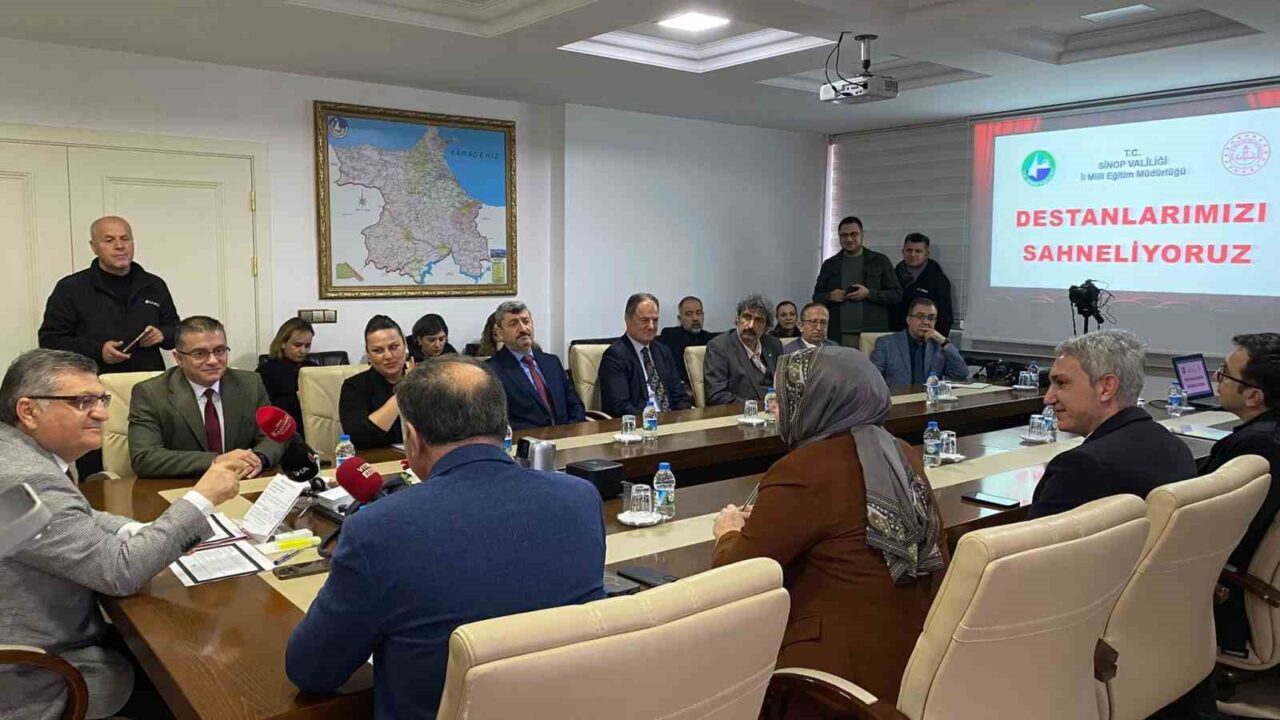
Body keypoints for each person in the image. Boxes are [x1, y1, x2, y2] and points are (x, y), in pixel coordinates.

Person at [286, 356, 605, 718]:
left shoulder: (377, 530)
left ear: (412, 438)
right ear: (505, 427)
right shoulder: (580, 498)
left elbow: (311, 670)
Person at [0, 349, 244, 720]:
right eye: (82, 402)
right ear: (29, 411)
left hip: (55, 636)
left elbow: (75, 514)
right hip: (34, 675)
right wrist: (202, 498)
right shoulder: (28, 477)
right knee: (208, 686)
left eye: (101, 399)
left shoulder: (19, 453)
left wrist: (135, 529)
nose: (101, 413)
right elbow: (119, 572)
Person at [711, 346, 945, 704]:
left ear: (817, 401)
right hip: (913, 655)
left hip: (832, 681)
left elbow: (737, 575)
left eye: (787, 397)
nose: (776, 407)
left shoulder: (805, 469)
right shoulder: (901, 452)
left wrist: (727, 532)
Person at [1026, 330, 1196, 520]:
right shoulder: (1176, 447)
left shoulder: (1079, 468)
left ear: (1106, 388)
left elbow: (1032, 538)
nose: (1048, 398)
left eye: (1061, 383)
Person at [128, 316, 284, 478]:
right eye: (199, 353)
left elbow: (275, 435)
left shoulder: (251, 384)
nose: (213, 361)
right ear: (178, 358)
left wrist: (259, 458)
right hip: (184, 486)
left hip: (242, 481)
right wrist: (216, 461)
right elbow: (145, 457)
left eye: (219, 350)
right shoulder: (150, 393)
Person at [1206, 333, 1280, 659]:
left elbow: (1206, 530)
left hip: (1231, 600)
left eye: (1224, 373)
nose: (1216, 378)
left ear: (1253, 396)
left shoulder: (1254, 449)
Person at [38, 216, 180, 375]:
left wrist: (162, 334)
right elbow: (50, 340)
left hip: (148, 380)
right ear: (94, 247)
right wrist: (98, 350)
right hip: (92, 380)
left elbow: (177, 330)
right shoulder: (71, 287)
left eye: (125, 239)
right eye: (109, 240)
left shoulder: (154, 285)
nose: (120, 246)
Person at [485, 301, 586, 429]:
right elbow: (499, 421)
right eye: (513, 324)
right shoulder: (491, 371)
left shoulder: (552, 362)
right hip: (526, 439)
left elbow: (575, 405)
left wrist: (569, 431)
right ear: (499, 333)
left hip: (567, 436)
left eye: (526, 321)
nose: (523, 329)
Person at [813, 216, 902, 349]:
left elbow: (896, 295)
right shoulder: (830, 265)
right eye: (844, 235)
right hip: (838, 335)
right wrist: (830, 296)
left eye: (854, 234)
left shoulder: (880, 261)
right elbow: (816, 297)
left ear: (862, 235)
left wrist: (869, 294)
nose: (849, 239)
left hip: (872, 335)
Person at [599, 293, 692, 417]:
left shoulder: (663, 351)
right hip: (640, 424)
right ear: (627, 319)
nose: (651, 326)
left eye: (655, 320)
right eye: (645, 320)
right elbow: (620, 406)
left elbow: (679, 396)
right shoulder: (615, 356)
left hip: (671, 422)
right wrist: (653, 421)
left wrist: (681, 419)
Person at [340, 315, 412, 451]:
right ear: (368, 354)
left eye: (394, 347)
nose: (388, 356)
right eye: (378, 351)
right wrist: (402, 392)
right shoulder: (354, 386)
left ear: (405, 346)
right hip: (378, 460)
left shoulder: (425, 381)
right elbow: (359, 439)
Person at [704, 295, 784, 406]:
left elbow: (783, 385)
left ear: (766, 327)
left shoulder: (773, 344)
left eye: (759, 320)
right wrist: (757, 407)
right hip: (743, 412)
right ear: (738, 319)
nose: (750, 325)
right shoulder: (719, 347)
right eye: (747, 317)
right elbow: (716, 395)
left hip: (777, 412)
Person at [870, 298, 971, 386]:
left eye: (931, 318)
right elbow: (872, 379)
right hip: (898, 399)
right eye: (920, 316)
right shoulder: (887, 343)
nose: (926, 322)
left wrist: (944, 341)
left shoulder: (939, 345)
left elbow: (961, 375)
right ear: (908, 320)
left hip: (930, 400)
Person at [890, 233, 955, 337]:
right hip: (896, 337)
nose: (913, 255)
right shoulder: (891, 276)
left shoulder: (939, 280)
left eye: (918, 251)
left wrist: (936, 342)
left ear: (926, 254)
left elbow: (945, 317)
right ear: (903, 251)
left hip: (925, 339)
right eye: (909, 250)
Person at [257, 317, 316, 429]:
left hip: (313, 427)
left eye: (307, 346)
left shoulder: (314, 369)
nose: (303, 351)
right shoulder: (266, 371)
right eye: (297, 345)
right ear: (283, 343)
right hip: (282, 428)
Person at [657, 296, 714, 386]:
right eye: (689, 314)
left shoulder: (711, 339)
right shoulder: (670, 336)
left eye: (698, 313)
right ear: (680, 318)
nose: (695, 318)